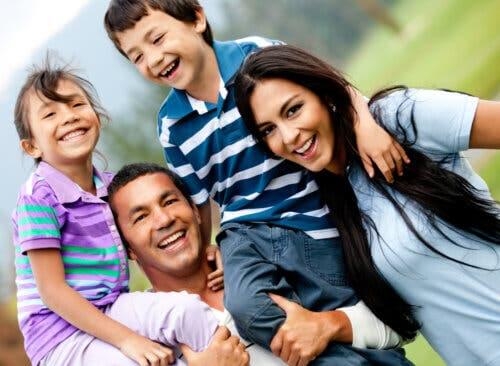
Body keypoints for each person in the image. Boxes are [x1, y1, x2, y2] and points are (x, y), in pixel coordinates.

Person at [104, 2, 417, 364]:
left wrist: (366, 125)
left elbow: (334, 87)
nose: (153, 59)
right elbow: (198, 200)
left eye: (157, 39)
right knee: (246, 307)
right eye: (137, 57)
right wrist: (208, 251)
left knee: (344, 303)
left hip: (308, 216)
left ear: (195, 19)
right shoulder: (172, 127)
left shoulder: (256, 54)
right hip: (243, 233)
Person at [233, 44, 500, 366]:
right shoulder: (329, 205)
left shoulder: (396, 118)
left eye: (293, 110)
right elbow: (400, 320)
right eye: (269, 130)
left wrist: (365, 113)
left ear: (324, 95)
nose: (289, 136)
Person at [11, 62, 248, 366]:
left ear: (97, 116)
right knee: (148, 360)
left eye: (76, 104)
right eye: (50, 114)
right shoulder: (38, 197)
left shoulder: (109, 188)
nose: (68, 117)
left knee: (187, 311)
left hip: (110, 308)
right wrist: (128, 340)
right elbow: (53, 292)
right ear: (31, 147)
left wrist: (209, 248)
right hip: (61, 336)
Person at [107, 162, 407, 366]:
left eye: (170, 201)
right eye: (141, 216)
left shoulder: (265, 255)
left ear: (196, 212)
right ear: (128, 249)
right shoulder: (142, 332)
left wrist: (330, 326)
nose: (164, 219)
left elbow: (397, 325)